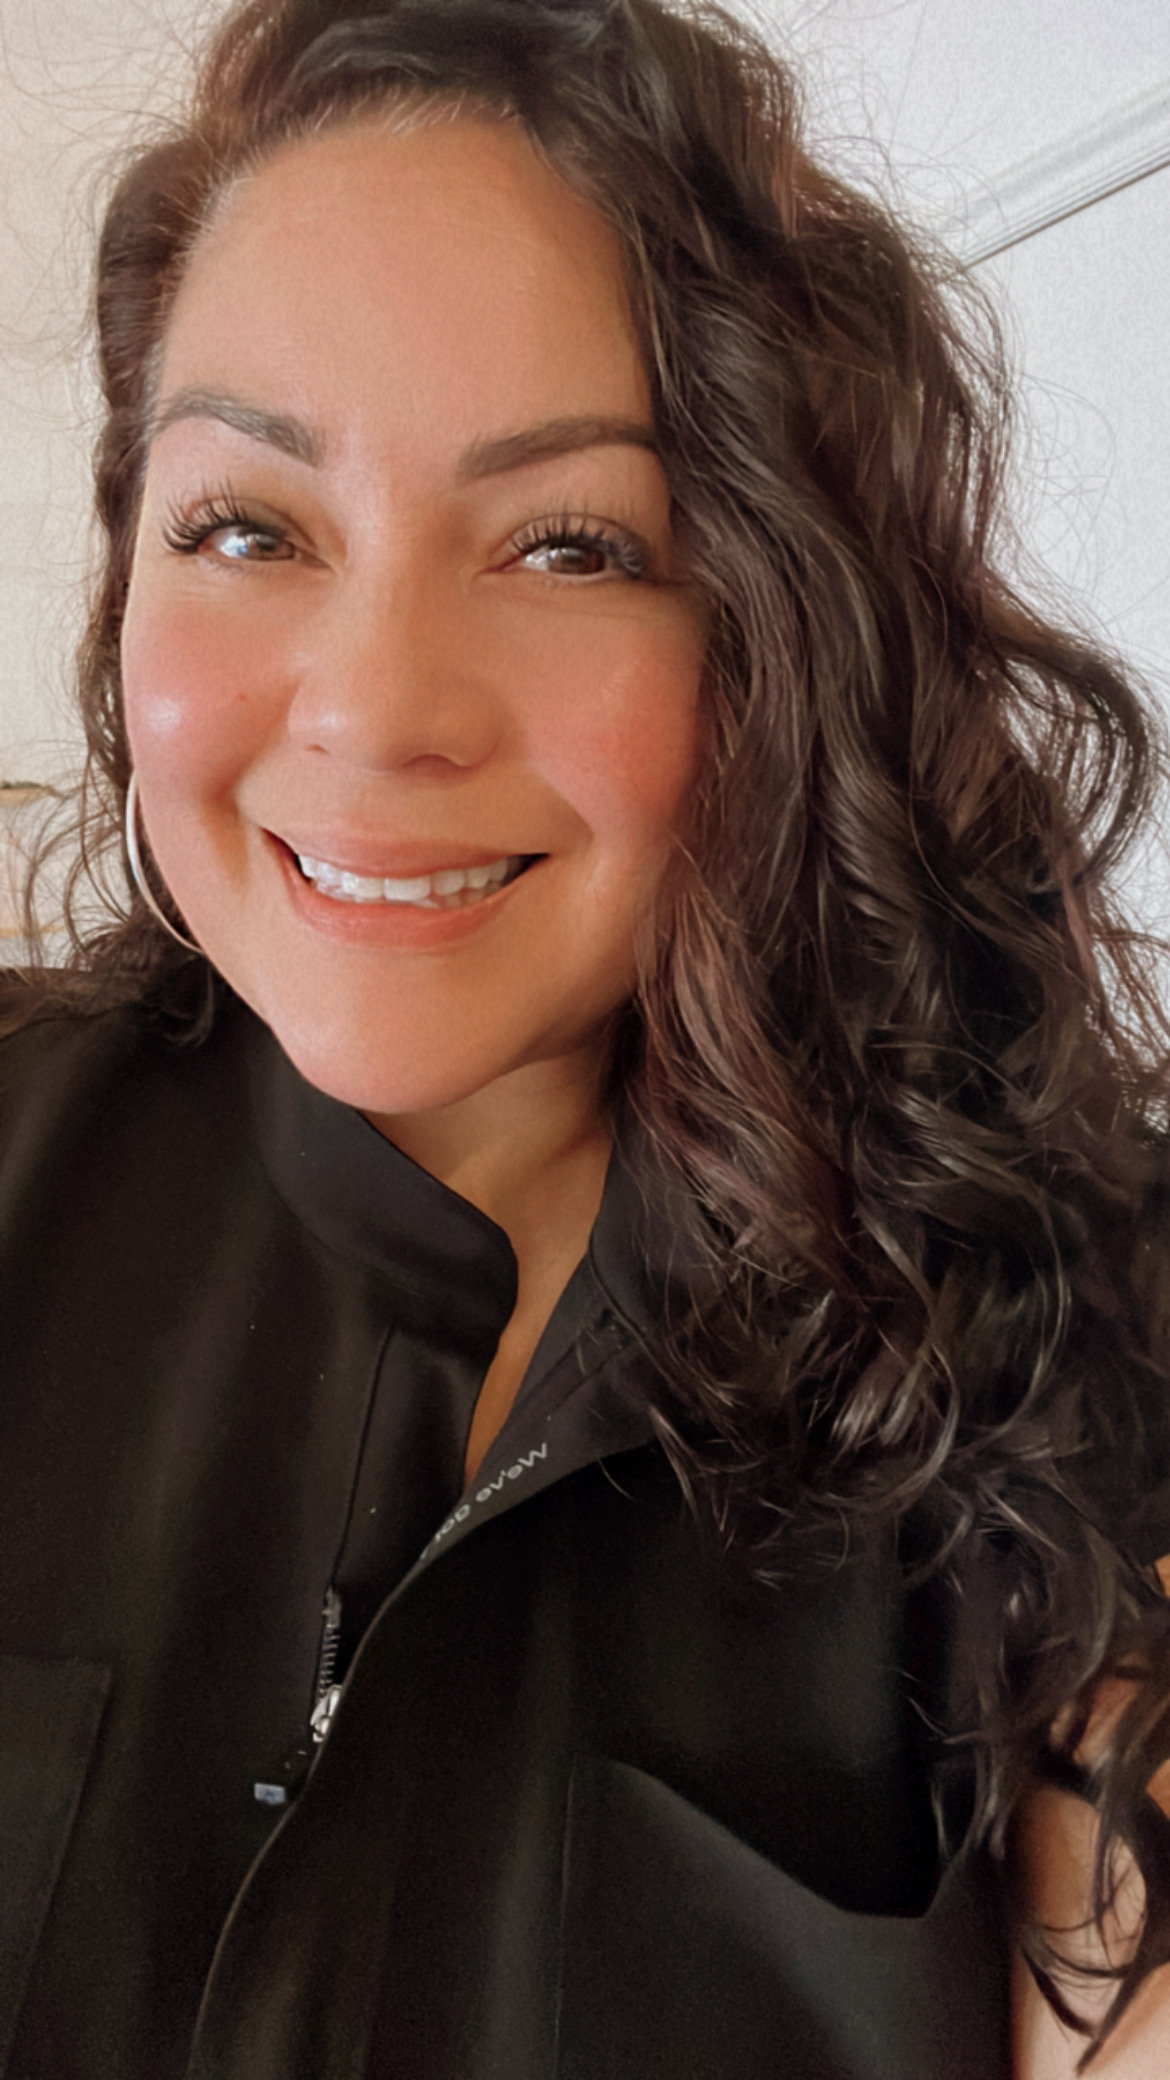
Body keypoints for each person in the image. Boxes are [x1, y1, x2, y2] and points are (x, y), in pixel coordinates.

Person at [1, 0, 1169, 2073]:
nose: (374, 711)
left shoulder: (1088, 1324)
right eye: (247, 527)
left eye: (570, 543)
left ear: (781, 625)